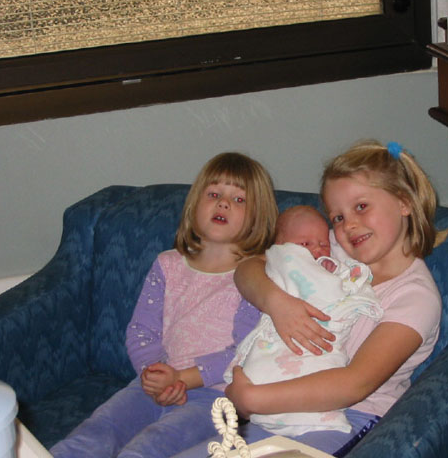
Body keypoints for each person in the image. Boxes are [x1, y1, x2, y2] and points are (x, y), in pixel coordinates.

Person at [172, 140, 445, 458]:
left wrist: (252, 399)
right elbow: (248, 269)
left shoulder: (415, 297)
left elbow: (355, 384)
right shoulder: (330, 248)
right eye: (337, 217)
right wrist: (276, 302)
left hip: (345, 421)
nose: (348, 225)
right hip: (276, 409)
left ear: (404, 202)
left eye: (361, 207)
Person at [50, 152, 278, 458]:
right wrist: (154, 375)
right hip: (153, 386)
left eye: (239, 200)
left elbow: (244, 351)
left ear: (258, 218)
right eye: (213, 194)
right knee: (95, 432)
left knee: (150, 448)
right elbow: (141, 330)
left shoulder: (255, 276)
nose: (223, 203)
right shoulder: (168, 264)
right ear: (194, 205)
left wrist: (182, 378)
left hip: (215, 398)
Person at [224, 205, 382, 436]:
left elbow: (336, 287)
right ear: (280, 246)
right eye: (305, 244)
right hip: (274, 347)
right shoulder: (284, 259)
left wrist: (333, 273)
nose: (317, 250)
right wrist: (276, 302)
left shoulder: (340, 254)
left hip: (321, 366)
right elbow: (248, 267)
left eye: (323, 244)